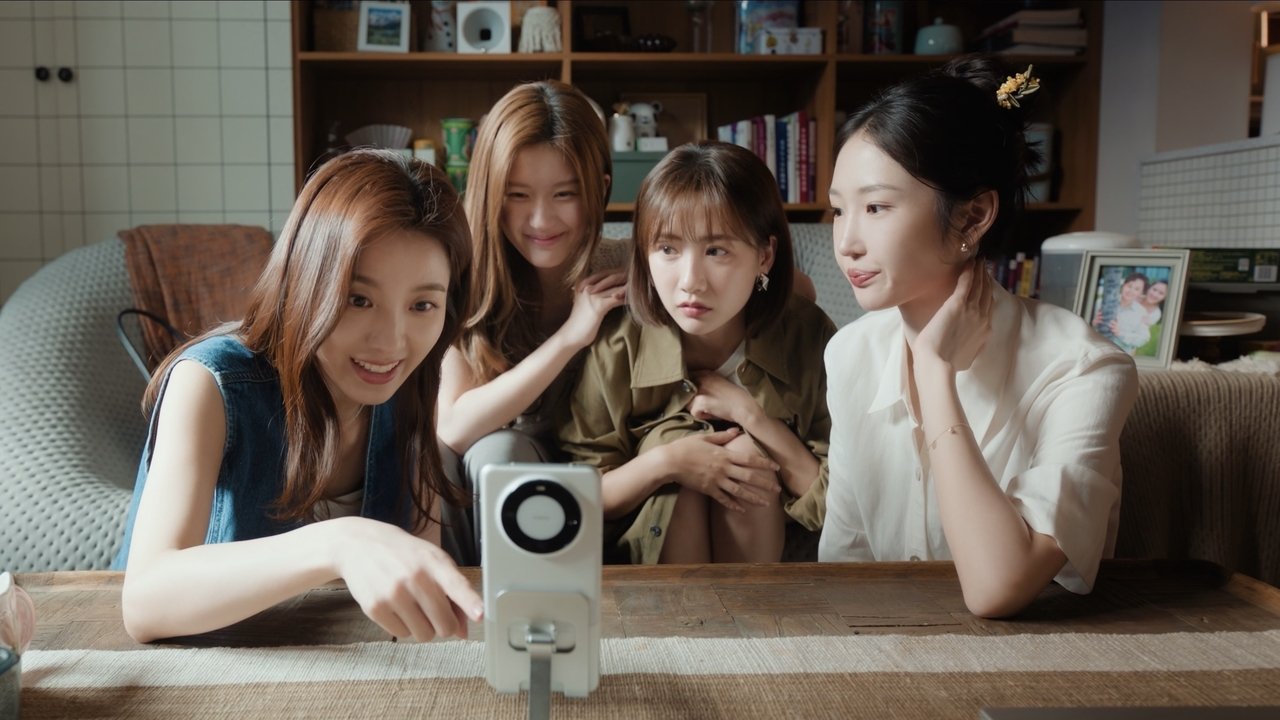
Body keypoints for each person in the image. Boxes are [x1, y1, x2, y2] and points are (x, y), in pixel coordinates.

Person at [114, 149, 483, 643]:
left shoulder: (410, 386)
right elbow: (145, 601)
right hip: (176, 670)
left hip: (336, 668)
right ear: (305, 282)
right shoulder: (209, 382)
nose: (390, 342)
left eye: (422, 305)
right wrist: (338, 543)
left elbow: (421, 594)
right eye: (358, 299)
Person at [821, 57, 1138, 617]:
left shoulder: (1083, 368)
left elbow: (999, 587)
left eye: (875, 207)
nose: (846, 241)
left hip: (1046, 658)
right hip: (880, 643)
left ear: (972, 217)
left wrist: (934, 373)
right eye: (838, 210)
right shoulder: (850, 352)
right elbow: (845, 564)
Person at [559, 141, 834, 565]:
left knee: (744, 458)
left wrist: (753, 418)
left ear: (764, 256)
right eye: (667, 249)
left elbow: (842, 502)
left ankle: (751, 608)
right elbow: (576, 496)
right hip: (645, 567)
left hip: (783, 563)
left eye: (716, 251)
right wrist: (667, 462)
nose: (690, 281)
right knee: (683, 460)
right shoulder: (618, 344)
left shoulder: (808, 335)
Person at [436, 80, 627, 565]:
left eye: (565, 194)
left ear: (601, 189)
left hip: (606, 472)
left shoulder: (624, 264)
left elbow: (796, 286)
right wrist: (569, 338)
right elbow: (453, 429)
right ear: (490, 194)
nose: (541, 220)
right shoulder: (463, 278)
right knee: (484, 453)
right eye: (517, 195)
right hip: (497, 475)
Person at [1095, 271, 1151, 354]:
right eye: (1129, 286)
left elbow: (1144, 338)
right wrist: (1093, 323)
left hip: (1120, 354)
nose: (1131, 291)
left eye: (1136, 289)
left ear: (1141, 293)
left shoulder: (1141, 313)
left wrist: (1120, 333)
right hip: (1097, 350)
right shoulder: (1102, 303)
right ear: (1123, 285)